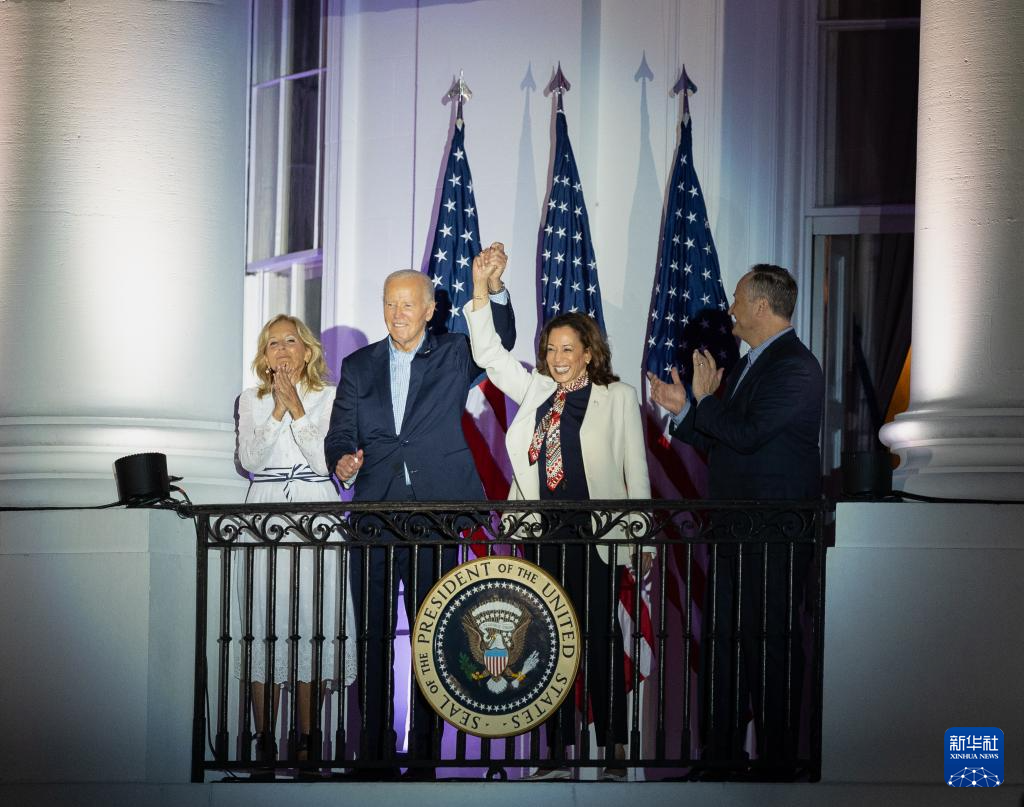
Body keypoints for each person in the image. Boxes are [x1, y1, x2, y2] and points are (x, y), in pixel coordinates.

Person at [324, 249, 515, 780]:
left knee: (431, 638)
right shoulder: (358, 365)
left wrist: (491, 290)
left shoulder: (454, 353)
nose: (397, 313)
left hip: (436, 517)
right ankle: (375, 755)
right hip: (375, 517)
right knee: (373, 638)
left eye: (408, 304)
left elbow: (500, 337)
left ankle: (426, 757)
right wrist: (342, 460)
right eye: (390, 304)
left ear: (430, 309)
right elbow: (340, 433)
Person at [465, 249, 652, 782]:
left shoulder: (617, 397)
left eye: (568, 348)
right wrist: (481, 289)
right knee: (547, 645)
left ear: (589, 353)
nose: (557, 357)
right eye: (550, 349)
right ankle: (556, 753)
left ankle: (614, 750)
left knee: (600, 643)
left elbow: (636, 476)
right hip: (542, 536)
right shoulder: (537, 390)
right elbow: (490, 355)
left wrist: (640, 543)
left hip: (596, 537)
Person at [648, 263, 824, 776]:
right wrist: (686, 411)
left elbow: (747, 435)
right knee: (723, 644)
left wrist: (704, 400)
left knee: (770, 648)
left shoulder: (796, 367)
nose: (730, 311)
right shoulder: (751, 363)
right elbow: (724, 441)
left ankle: (776, 763)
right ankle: (721, 757)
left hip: (773, 536)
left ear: (762, 306)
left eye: (739, 301)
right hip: (734, 531)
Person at [235, 314, 357, 766]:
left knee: (312, 620)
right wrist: (276, 410)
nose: (282, 349)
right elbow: (250, 460)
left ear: (307, 350)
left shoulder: (330, 397)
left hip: (314, 507)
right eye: (273, 343)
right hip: (265, 509)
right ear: (264, 356)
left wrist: (298, 408)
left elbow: (325, 462)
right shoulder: (250, 400)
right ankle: (264, 741)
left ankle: (308, 741)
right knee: (266, 620)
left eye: (291, 340)